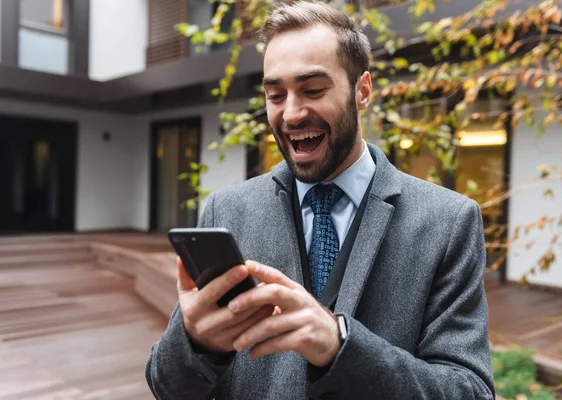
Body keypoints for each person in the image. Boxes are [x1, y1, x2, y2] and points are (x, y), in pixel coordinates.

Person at [145, 1, 495, 399]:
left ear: (362, 92)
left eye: (313, 90)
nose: (291, 114)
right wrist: (195, 342)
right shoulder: (226, 210)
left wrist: (340, 345)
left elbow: (469, 391)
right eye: (275, 95)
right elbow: (166, 386)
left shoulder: (448, 221)